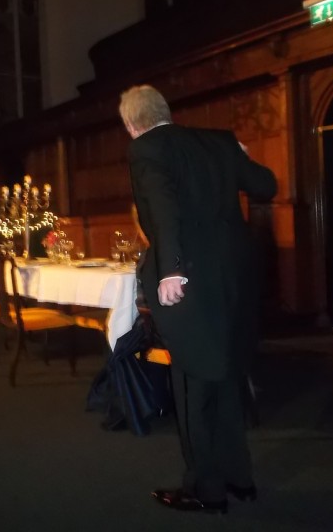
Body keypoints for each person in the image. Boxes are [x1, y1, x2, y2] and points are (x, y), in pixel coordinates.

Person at [120, 84, 277, 514]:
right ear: (164, 111)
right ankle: (239, 477)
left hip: (188, 283)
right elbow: (267, 185)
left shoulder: (145, 149)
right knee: (226, 373)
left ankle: (205, 489)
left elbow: (163, 208)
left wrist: (171, 267)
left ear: (133, 125)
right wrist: (240, 157)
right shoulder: (219, 142)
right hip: (234, 280)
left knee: (192, 382)